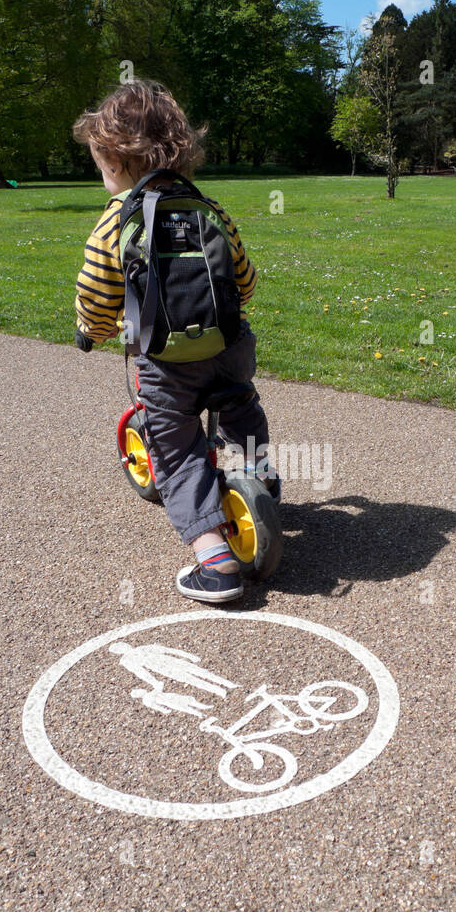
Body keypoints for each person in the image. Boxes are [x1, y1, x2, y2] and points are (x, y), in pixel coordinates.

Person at [71, 80, 277, 603]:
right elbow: (245, 282)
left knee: (177, 451)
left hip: (167, 363)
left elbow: (96, 295)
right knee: (241, 408)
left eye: (100, 164)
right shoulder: (209, 209)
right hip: (229, 348)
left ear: (115, 161)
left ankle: (216, 565)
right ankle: (261, 485)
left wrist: (89, 332)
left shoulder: (116, 220)